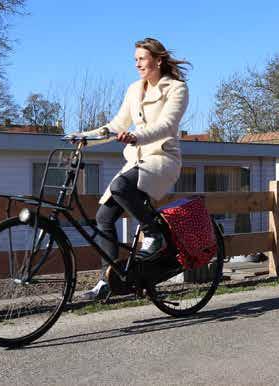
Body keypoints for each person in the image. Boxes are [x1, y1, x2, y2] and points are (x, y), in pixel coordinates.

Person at [67, 38, 190, 300]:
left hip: (163, 159)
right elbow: (115, 125)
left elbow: (168, 125)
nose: (137, 64)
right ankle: (107, 282)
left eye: (142, 59)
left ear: (158, 60)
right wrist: (84, 136)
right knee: (103, 217)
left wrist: (137, 136)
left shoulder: (176, 88)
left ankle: (155, 235)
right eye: (135, 60)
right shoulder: (134, 89)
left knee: (120, 186)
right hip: (137, 161)